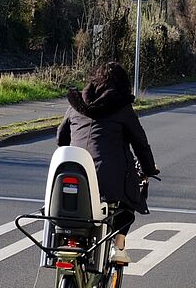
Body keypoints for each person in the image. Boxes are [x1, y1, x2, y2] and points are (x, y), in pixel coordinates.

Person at [56, 62, 158, 264]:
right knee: (128, 203)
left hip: (74, 175)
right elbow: (140, 144)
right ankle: (118, 246)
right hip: (108, 181)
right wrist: (148, 169)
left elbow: (61, 138)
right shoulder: (123, 109)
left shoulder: (75, 106)